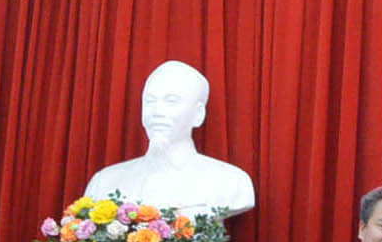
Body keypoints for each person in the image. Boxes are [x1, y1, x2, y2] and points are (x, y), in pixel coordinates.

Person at [83, 59, 256, 216]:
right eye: (150, 101)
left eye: (171, 101)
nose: (157, 112)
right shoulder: (104, 182)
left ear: (198, 114)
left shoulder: (231, 182)